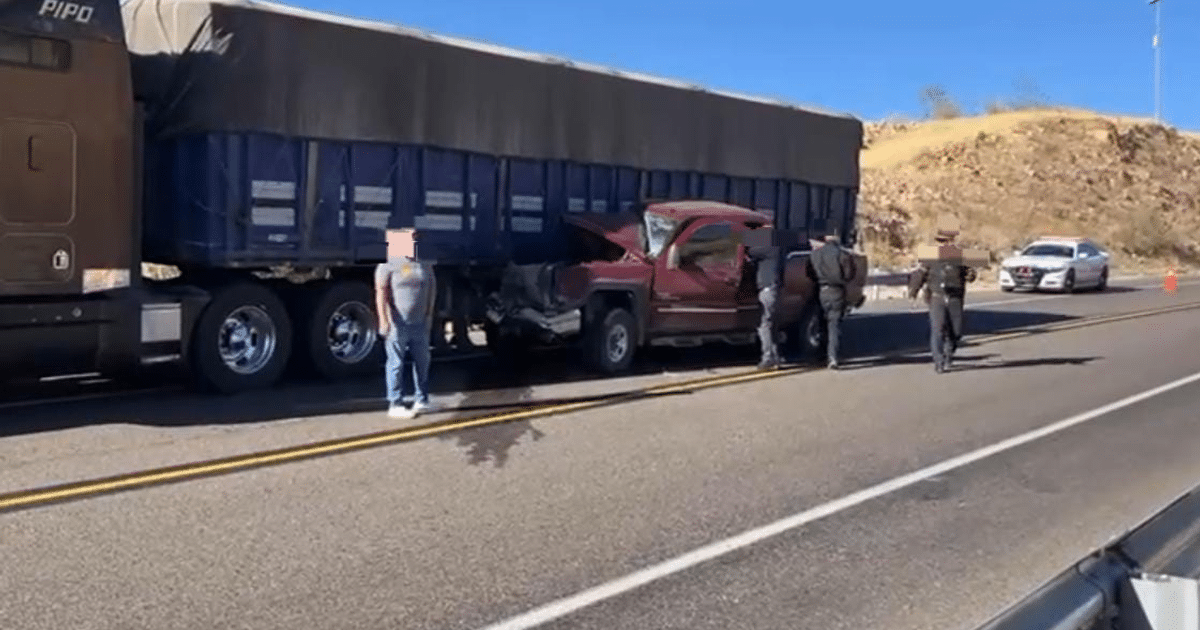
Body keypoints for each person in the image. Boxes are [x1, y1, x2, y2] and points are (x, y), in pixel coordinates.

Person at [375, 228, 438, 419]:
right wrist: (384, 320)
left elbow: (432, 287)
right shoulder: (388, 264)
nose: (413, 244)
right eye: (410, 240)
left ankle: (422, 399)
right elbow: (381, 292)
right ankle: (395, 403)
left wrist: (429, 314)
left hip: (420, 323)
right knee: (396, 363)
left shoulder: (424, 263)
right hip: (397, 323)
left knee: (422, 361)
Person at [907, 227, 978, 373]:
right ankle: (938, 361)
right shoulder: (929, 257)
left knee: (955, 331)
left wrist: (971, 275)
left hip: (955, 298)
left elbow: (970, 274)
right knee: (937, 330)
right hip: (936, 297)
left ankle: (949, 353)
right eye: (941, 242)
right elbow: (919, 275)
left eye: (947, 241)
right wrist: (913, 292)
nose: (944, 244)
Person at [806, 231, 857, 370]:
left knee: (821, 322)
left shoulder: (815, 254)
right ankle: (832, 357)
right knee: (833, 325)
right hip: (837, 291)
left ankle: (820, 355)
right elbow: (850, 274)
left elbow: (809, 272)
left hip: (821, 291)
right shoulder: (843, 254)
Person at [746, 232, 784, 370]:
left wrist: (741, 239)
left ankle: (768, 357)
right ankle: (775, 357)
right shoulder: (778, 249)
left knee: (765, 325)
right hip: (774, 289)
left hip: (768, 290)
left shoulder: (769, 248)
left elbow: (751, 251)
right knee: (772, 324)